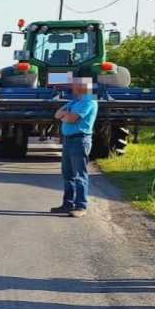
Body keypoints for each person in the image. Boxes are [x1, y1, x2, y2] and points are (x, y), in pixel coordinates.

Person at [52, 77, 98, 218]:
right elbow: (57, 114)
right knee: (68, 174)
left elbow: (71, 119)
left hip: (80, 140)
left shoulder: (89, 101)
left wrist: (66, 115)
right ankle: (67, 204)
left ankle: (80, 206)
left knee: (79, 175)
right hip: (68, 140)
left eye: (77, 86)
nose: (74, 88)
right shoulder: (75, 101)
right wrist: (65, 114)